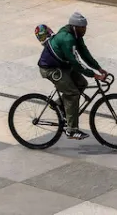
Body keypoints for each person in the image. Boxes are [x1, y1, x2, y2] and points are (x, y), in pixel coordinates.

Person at [38, 11, 108, 140]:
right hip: (51, 69)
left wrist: (98, 67)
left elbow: (84, 52)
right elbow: (75, 62)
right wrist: (94, 75)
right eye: (83, 27)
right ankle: (71, 130)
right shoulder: (67, 39)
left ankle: (58, 105)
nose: (85, 29)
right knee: (72, 94)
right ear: (75, 26)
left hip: (62, 65)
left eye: (85, 27)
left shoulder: (76, 35)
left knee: (82, 84)